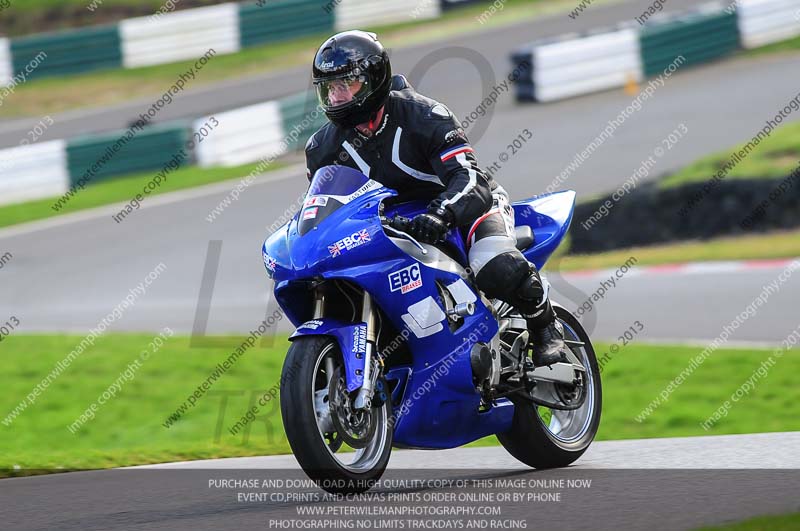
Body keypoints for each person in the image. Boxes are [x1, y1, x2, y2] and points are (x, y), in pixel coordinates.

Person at [304, 30, 568, 366]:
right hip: (389, 226)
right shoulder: (321, 148)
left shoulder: (426, 117)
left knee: (492, 263)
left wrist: (442, 213)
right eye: (330, 88)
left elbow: (469, 177)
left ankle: (546, 326)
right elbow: (321, 204)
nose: (337, 97)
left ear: (373, 79)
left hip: (462, 208)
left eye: (347, 84)